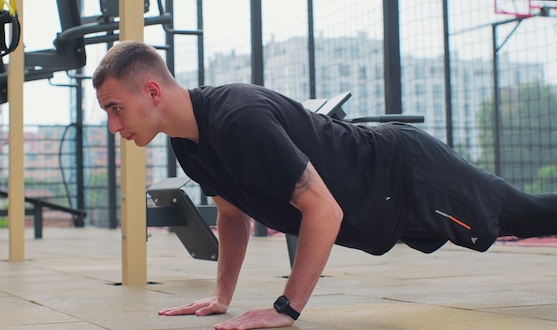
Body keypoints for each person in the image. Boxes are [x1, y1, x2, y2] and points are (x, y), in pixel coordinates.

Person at [93, 41, 557, 330]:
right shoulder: (187, 144)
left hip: (411, 176)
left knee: (528, 216)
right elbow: (233, 217)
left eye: (115, 107)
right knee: (526, 215)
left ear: (152, 92)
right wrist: (222, 297)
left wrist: (286, 309)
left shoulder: (238, 119)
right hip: (387, 200)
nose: (114, 126)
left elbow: (324, 212)